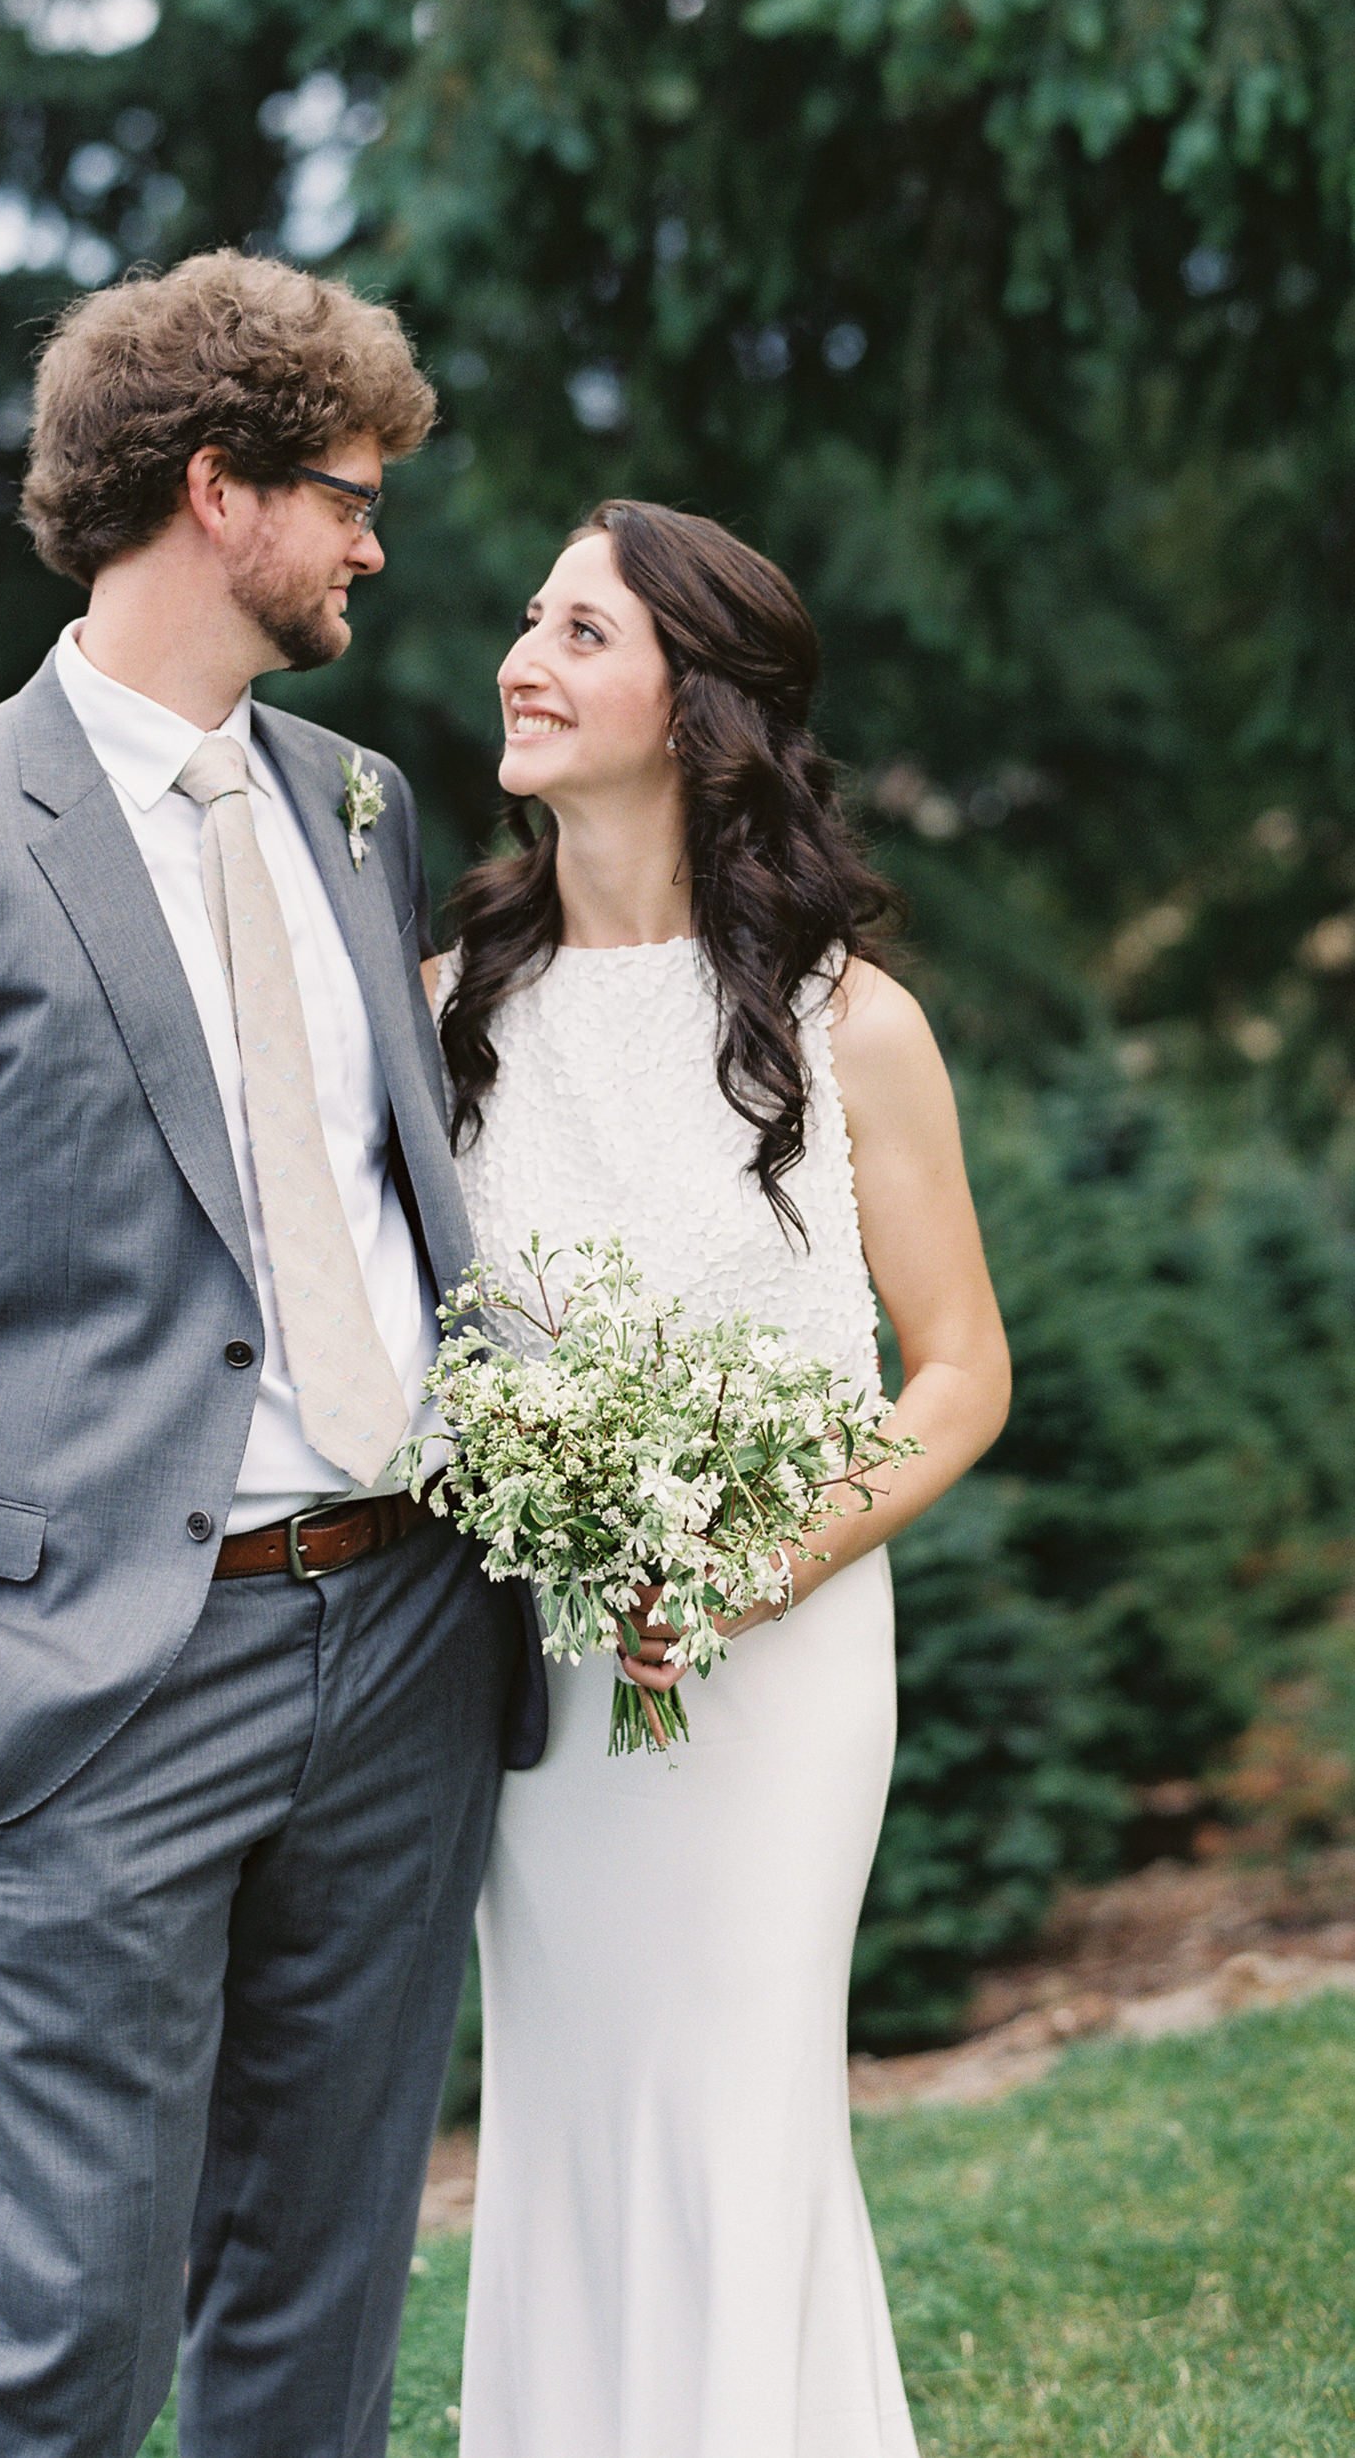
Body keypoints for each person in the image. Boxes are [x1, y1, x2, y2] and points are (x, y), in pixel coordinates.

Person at [0, 248, 542, 2458]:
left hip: (403, 1636)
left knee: (322, 2300)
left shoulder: (357, 803)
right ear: (216, 487)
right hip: (90, 1688)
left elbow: (396, 1195)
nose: (376, 540)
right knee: (71, 2324)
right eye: (351, 493)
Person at [429, 501, 1011, 2457]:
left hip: (779, 1665)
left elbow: (956, 1374)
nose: (523, 653)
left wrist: (766, 1556)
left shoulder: (852, 1022)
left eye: (578, 629)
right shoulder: (447, 1009)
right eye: (529, 618)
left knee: (738, 2104)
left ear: (698, 702)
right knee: (571, 2106)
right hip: (548, 1672)